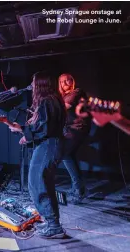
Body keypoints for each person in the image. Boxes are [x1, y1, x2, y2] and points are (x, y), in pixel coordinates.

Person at [8, 71, 66, 238]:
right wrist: (26, 133)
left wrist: (22, 129)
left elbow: (44, 129)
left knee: (36, 184)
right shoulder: (53, 100)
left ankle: (54, 226)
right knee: (44, 185)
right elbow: (45, 128)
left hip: (48, 146)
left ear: (40, 84)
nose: (31, 85)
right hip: (52, 145)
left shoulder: (47, 101)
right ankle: (53, 224)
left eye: (34, 82)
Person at [58, 73, 90, 204]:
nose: (65, 83)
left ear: (72, 81)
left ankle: (79, 190)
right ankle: (77, 187)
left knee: (65, 154)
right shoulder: (63, 96)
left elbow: (63, 109)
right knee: (69, 155)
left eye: (67, 80)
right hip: (72, 128)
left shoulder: (76, 93)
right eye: (62, 81)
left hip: (78, 128)